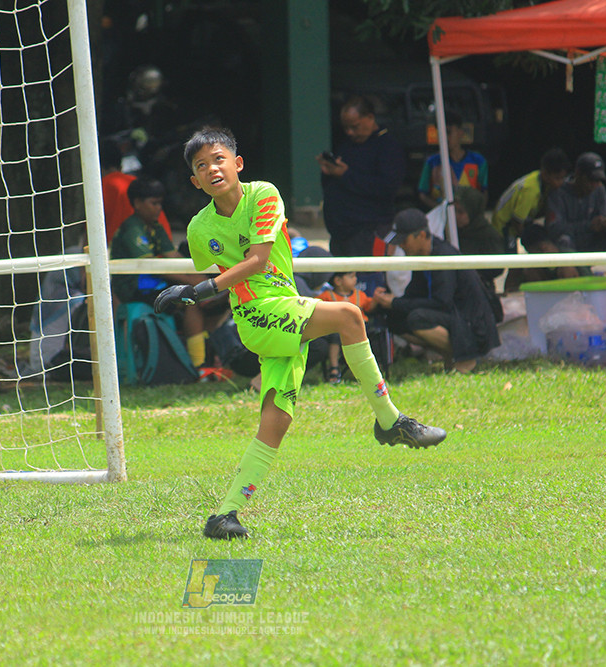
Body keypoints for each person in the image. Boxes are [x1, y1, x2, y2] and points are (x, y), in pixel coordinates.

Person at [156, 127, 445, 540]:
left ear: (237, 164)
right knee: (349, 315)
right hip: (257, 316)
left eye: (218, 159)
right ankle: (390, 420)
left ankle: (224, 516)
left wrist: (196, 292)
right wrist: (184, 290)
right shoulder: (199, 229)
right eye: (201, 166)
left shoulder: (264, 195)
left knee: (276, 421)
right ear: (195, 181)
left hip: (283, 308)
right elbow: (224, 277)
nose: (211, 169)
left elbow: (256, 260)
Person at [110, 177, 217, 368]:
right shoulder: (132, 228)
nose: (158, 208)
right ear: (137, 203)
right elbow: (154, 268)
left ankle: (206, 358)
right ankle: (198, 365)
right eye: (154, 203)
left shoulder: (156, 228)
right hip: (134, 288)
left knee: (208, 299)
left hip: (153, 284)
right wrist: (195, 282)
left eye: (160, 203)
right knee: (192, 300)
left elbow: (174, 258)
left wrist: (201, 276)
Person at [381, 209, 500, 374]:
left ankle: (467, 358)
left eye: (404, 240)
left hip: (470, 324)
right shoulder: (422, 257)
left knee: (417, 318)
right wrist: (388, 303)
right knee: (394, 317)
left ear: (421, 235)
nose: (401, 246)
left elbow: (441, 302)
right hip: (453, 316)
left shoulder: (443, 256)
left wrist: (395, 302)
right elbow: (413, 296)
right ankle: (449, 357)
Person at [317, 96, 406, 259]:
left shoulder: (387, 147)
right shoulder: (347, 145)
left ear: (370, 118)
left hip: (368, 230)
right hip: (340, 231)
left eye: (355, 126)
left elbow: (386, 188)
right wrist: (329, 172)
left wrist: (346, 175)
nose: (350, 132)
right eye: (346, 128)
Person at [545, 152, 606, 276]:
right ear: (578, 174)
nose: (594, 185)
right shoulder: (559, 193)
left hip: (593, 241)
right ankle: (582, 279)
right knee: (564, 240)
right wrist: (588, 226)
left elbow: (604, 216)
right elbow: (554, 228)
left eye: (597, 181)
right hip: (571, 245)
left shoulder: (599, 189)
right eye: (590, 180)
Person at [491, 148, 572, 254]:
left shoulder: (546, 185)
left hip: (522, 223)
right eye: (557, 178)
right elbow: (517, 222)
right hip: (504, 227)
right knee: (512, 260)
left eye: (563, 178)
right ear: (545, 174)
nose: (561, 183)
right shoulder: (530, 190)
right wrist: (529, 242)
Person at [316, 271, 391, 383]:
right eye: (351, 276)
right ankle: (334, 367)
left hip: (361, 327)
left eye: (355, 276)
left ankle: (373, 370)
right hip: (336, 330)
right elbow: (317, 308)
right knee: (336, 335)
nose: (355, 279)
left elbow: (369, 307)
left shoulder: (359, 294)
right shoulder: (327, 296)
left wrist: (375, 298)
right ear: (338, 281)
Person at [99, 139, 172, 243]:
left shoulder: (102, 186)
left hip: (126, 252)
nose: (158, 208)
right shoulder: (137, 183)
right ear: (121, 166)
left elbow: (92, 231)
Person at [417, 112, 488, 210]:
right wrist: (442, 210)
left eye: (448, 132)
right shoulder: (432, 163)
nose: (444, 137)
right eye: (440, 133)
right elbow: (423, 194)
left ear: (460, 132)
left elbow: (483, 193)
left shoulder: (478, 162)